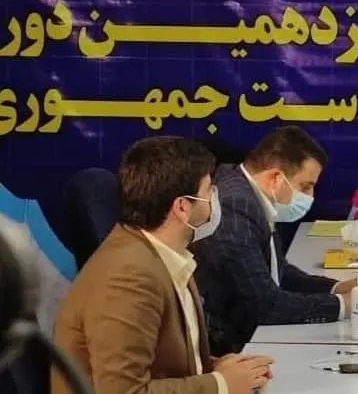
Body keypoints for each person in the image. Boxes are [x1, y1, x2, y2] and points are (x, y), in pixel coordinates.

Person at [51, 136, 272, 394]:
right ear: (182, 207)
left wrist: (219, 369)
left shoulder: (163, 254)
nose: (215, 198)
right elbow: (123, 391)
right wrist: (220, 384)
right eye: (208, 190)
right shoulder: (129, 277)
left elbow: (164, 363)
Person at [191, 126, 358, 355]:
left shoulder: (248, 192)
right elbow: (266, 306)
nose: (310, 197)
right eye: (305, 186)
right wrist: (345, 304)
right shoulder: (235, 207)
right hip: (227, 347)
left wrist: (337, 287)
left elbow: (279, 271)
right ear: (275, 178)